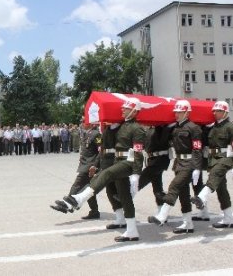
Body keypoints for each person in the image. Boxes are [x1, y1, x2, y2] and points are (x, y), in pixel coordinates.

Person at [58, 97, 145, 242]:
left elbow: (138, 152)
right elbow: (108, 141)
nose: (123, 110)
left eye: (126, 108)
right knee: (124, 195)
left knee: (107, 173)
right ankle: (131, 230)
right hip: (118, 160)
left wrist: (136, 173)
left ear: (135, 111)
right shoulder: (120, 126)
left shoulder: (137, 129)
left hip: (129, 162)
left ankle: (80, 198)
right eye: (123, 108)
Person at [148, 99, 202, 234]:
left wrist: (196, 168)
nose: (177, 114)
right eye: (176, 112)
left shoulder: (194, 128)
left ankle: (162, 215)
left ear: (187, 112)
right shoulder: (175, 128)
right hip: (178, 163)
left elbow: (197, 149)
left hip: (189, 163)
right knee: (183, 193)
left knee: (174, 186)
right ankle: (188, 223)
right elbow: (163, 141)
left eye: (180, 112)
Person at [191, 101, 233, 228]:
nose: (215, 113)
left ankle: (201, 197)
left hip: (226, 157)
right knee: (221, 189)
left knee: (215, 174)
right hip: (212, 158)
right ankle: (229, 218)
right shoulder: (211, 127)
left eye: (218, 111)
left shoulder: (230, 126)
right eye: (214, 111)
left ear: (225, 112)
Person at [50, 121, 101, 219]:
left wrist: (95, 165)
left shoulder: (96, 134)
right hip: (85, 164)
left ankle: (66, 204)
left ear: (91, 123)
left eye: (84, 121)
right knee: (88, 189)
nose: (82, 123)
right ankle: (94, 211)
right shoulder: (86, 132)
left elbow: (100, 151)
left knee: (77, 184)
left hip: (90, 166)